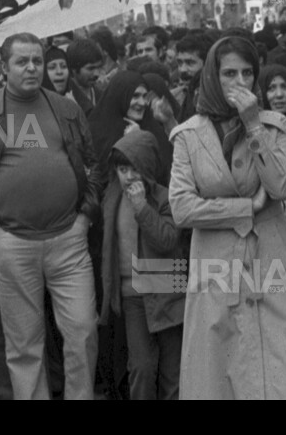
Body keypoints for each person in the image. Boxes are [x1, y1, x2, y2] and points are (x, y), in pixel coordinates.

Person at [169, 34, 286, 400]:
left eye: (247, 73)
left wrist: (253, 125)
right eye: (229, 73)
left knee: (283, 356)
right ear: (212, 76)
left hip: (272, 256)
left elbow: (284, 185)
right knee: (221, 363)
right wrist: (245, 208)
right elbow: (181, 207)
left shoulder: (273, 125)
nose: (239, 83)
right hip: (216, 263)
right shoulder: (188, 136)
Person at [0, 31, 101, 400]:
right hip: (12, 244)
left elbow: (94, 167)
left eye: (37, 61)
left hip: (69, 241)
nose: (32, 68)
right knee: (24, 345)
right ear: (4, 68)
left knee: (83, 331)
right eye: (22, 61)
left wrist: (84, 219)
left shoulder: (66, 109)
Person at [98, 129, 185, 400]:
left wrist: (141, 207)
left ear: (147, 167)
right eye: (123, 169)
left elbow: (167, 239)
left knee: (173, 371)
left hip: (170, 294)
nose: (130, 176)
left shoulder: (165, 198)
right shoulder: (112, 199)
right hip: (133, 297)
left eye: (135, 169)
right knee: (142, 367)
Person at [65, 39, 105, 116]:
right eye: (90, 68)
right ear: (74, 69)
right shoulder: (64, 98)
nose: (97, 73)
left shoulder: (102, 95)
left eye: (99, 67)